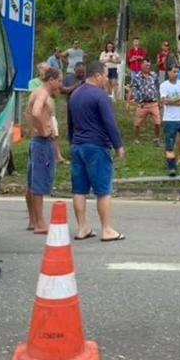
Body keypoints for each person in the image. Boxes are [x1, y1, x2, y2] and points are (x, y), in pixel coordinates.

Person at [68, 61, 126, 242]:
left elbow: (70, 122)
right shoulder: (100, 96)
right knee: (103, 190)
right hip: (96, 145)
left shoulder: (74, 94)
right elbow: (110, 123)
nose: (108, 79)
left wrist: (72, 141)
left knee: (79, 189)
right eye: (106, 75)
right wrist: (118, 145)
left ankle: (81, 228)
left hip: (78, 145)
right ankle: (107, 229)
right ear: (98, 75)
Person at [25, 66, 62, 234]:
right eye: (59, 80)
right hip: (41, 141)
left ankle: (33, 220)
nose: (60, 84)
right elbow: (35, 112)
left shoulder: (39, 91)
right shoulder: (42, 93)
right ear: (51, 80)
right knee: (39, 182)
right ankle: (40, 223)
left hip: (36, 141)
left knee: (32, 182)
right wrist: (43, 129)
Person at [129, 59, 160, 141]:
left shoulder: (154, 75)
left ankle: (156, 138)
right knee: (137, 123)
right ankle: (136, 139)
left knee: (157, 122)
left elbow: (158, 86)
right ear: (141, 65)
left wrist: (159, 99)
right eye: (146, 65)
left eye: (149, 65)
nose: (148, 67)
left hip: (153, 102)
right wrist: (137, 100)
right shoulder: (136, 77)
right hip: (142, 104)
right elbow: (133, 88)